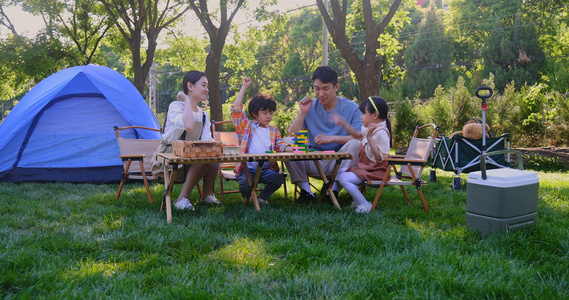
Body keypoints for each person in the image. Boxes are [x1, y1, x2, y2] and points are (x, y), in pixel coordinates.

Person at [284, 66, 362, 204]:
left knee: (356, 144)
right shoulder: (310, 106)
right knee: (288, 141)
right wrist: (303, 113)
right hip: (312, 159)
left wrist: (332, 138)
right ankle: (306, 193)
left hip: (338, 161)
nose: (320, 94)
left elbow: (360, 137)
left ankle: (334, 192)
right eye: (317, 89)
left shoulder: (352, 108)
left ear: (336, 87)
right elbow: (294, 136)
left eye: (325, 89)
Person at [150, 70, 220, 210]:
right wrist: (187, 100)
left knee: (212, 157)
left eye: (207, 86)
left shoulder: (204, 115)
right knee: (204, 156)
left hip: (191, 157)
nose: (207, 89)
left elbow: (207, 140)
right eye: (203, 85)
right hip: (169, 157)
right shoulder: (176, 106)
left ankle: (206, 196)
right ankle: (181, 200)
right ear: (190, 86)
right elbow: (187, 125)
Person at [230, 77, 292, 204]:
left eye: (271, 113)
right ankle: (246, 197)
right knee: (244, 184)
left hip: (266, 169)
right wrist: (244, 87)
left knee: (278, 179)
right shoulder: (246, 126)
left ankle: (261, 197)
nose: (269, 116)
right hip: (247, 168)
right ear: (254, 113)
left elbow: (279, 144)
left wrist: (291, 148)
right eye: (265, 113)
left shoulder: (273, 130)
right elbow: (236, 110)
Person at [335, 96, 392, 213]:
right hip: (368, 169)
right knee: (341, 171)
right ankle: (355, 199)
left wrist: (370, 138)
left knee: (343, 177)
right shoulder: (370, 129)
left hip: (377, 172)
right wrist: (344, 124)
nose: (361, 117)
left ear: (375, 115)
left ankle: (365, 204)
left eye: (363, 114)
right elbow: (357, 135)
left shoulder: (382, 133)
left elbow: (379, 157)